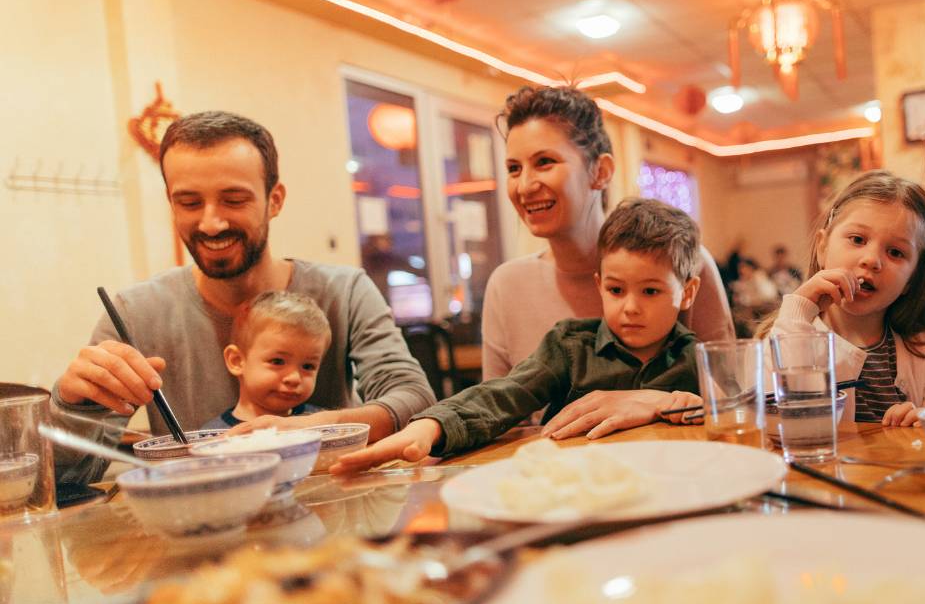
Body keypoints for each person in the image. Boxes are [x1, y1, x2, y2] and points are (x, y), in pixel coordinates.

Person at [53, 111, 435, 484]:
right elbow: (69, 477)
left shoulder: (344, 292)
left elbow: (415, 399)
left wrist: (296, 431)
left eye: (234, 200)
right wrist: (72, 407)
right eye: (189, 203)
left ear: (275, 200)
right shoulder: (134, 314)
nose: (211, 223)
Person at [331, 199, 704, 471]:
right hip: (575, 489)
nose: (630, 307)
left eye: (651, 291)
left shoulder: (701, 360)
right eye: (616, 290)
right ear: (599, 284)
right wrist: (432, 426)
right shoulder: (570, 345)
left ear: (687, 292)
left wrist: (670, 402)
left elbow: (742, 409)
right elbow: (504, 395)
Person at [481, 86, 733, 438]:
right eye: (513, 168)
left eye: (544, 162)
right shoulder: (507, 284)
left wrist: (650, 401)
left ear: (600, 171)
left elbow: (735, 400)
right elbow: (499, 418)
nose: (524, 186)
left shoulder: (685, 264)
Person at [759, 171, 925, 427]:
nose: (872, 260)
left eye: (895, 252)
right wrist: (797, 313)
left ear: (913, 279)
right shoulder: (786, 336)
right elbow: (780, 418)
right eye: (858, 239)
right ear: (823, 248)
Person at [202, 291, 330, 430]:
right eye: (277, 361)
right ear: (237, 361)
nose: (294, 378)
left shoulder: (323, 424)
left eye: (308, 366)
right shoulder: (213, 438)